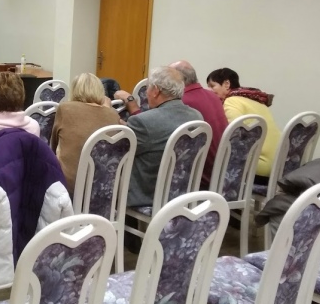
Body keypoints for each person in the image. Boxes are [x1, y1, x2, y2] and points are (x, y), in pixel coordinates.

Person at [115, 66, 203, 207]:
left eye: (148, 88)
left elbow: (117, 153)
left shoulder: (143, 122)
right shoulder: (196, 116)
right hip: (181, 195)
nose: (147, 93)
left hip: (146, 196)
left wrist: (108, 115)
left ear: (156, 90)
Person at [49, 73, 121, 195]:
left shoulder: (65, 109)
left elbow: (53, 145)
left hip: (69, 188)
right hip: (103, 188)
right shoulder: (113, 114)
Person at [206, 67, 281, 180]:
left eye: (212, 86)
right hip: (279, 164)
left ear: (226, 84)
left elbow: (234, 135)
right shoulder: (257, 101)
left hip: (259, 166)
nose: (209, 90)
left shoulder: (231, 101)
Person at [168, 60, 228, 187]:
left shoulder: (182, 102)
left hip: (198, 179)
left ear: (178, 80)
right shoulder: (213, 97)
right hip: (222, 173)